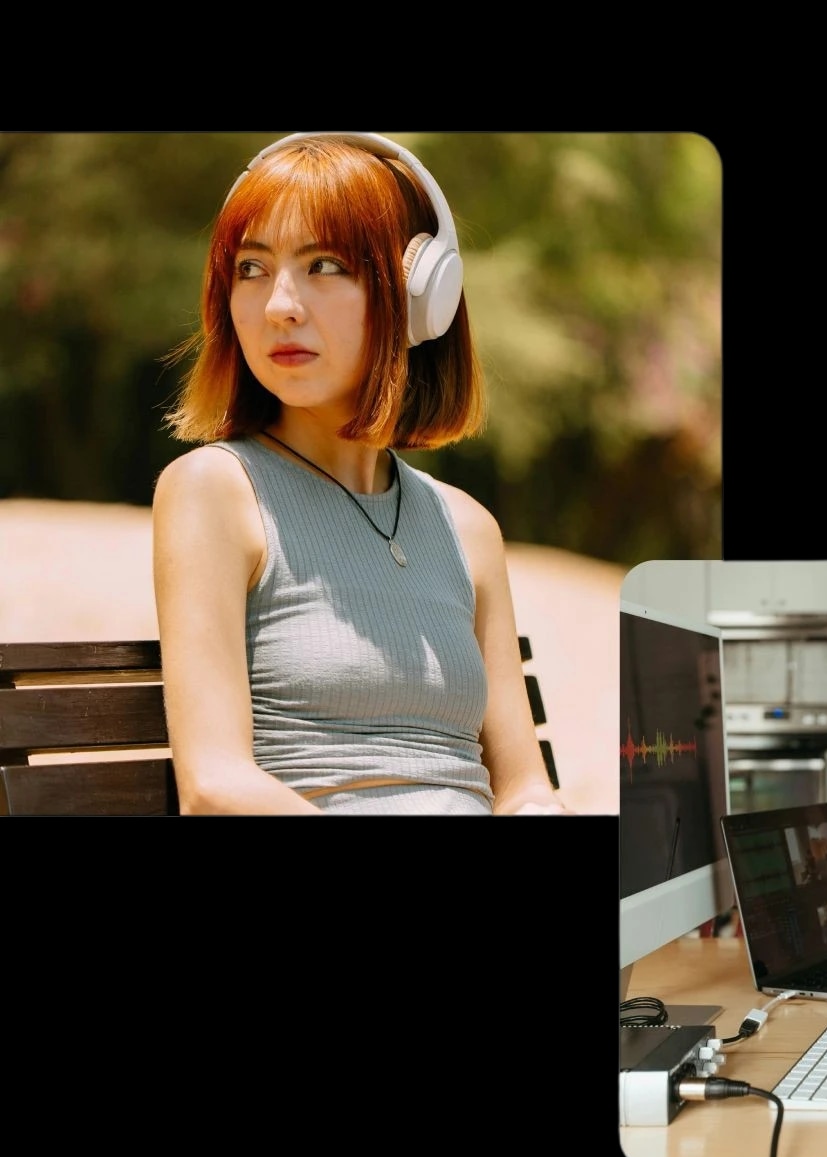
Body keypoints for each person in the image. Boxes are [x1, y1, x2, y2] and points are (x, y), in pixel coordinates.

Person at [148, 132, 562, 815]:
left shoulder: (468, 529)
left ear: (419, 296)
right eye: (251, 268)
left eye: (326, 265)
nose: (280, 304)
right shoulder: (214, 492)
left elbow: (523, 790)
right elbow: (215, 786)